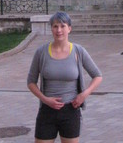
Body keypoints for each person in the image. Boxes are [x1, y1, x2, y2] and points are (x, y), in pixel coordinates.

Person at [27, 11, 103, 143]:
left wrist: (84, 94)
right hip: (47, 111)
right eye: (55, 26)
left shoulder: (78, 51)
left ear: (69, 28)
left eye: (63, 26)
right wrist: (45, 99)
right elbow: (31, 82)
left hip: (70, 111)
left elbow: (97, 76)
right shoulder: (41, 52)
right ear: (51, 29)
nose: (59, 30)